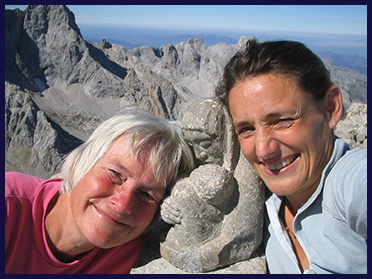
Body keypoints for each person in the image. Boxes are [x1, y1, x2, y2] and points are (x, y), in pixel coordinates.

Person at [216, 39, 367, 274]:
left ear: (331, 108)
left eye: (282, 121)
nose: (263, 149)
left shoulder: (352, 183)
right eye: (246, 129)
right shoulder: (266, 205)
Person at [5, 110, 194, 274]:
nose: (122, 205)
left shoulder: (135, 249)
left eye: (146, 195)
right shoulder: (8, 206)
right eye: (115, 174)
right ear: (80, 162)